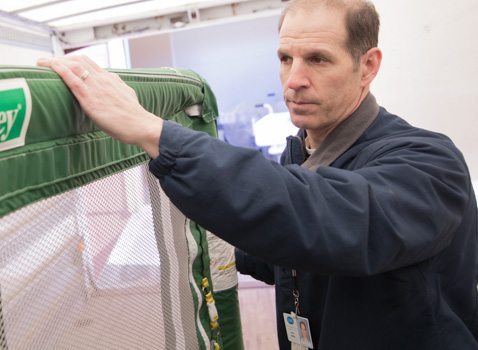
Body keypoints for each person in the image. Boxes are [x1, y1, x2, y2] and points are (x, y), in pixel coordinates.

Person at [38, 0, 478, 348]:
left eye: (318, 60)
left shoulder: (429, 163)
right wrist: (215, 240)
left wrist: (155, 134)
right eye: (286, 58)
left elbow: (329, 218)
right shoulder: (302, 154)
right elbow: (290, 248)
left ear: (368, 65)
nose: (294, 80)